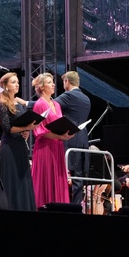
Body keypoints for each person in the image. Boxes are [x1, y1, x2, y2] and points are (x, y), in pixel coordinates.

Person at [0, 71, 37, 211]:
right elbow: (7, 128)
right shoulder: (3, 104)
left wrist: (27, 131)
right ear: (5, 86)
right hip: (9, 148)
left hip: (20, 147)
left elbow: (23, 123)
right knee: (11, 181)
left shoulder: (19, 103)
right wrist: (26, 127)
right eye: (13, 82)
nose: (17, 84)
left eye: (17, 82)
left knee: (23, 180)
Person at [30, 73, 73, 207]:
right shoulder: (39, 104)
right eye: (49, 82)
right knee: (46, 179)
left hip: (57, 147)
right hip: (45, 148)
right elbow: (39, 131)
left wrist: (67, 132)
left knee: (58, 179)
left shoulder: (56, 104)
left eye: (52, 82)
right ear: (42, 87)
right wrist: (61, 136)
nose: (53, 84)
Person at [53, 70, 90, 203]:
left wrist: (26, 104)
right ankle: (76, 208)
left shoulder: (68, 96)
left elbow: (50, 106)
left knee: (64, 173)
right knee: (78, 177)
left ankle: (63, 205)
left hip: (69, 137)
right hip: (82, 139)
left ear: (67, 81)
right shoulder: (86, 98)